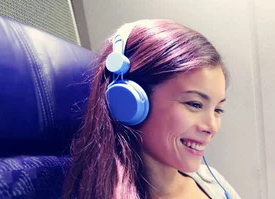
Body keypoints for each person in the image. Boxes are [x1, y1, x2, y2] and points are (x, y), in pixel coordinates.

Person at [63, 19, 240, 199]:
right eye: (195, 104)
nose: (212, 127)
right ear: (128, 102)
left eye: (218, 110)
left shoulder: (213, 182)